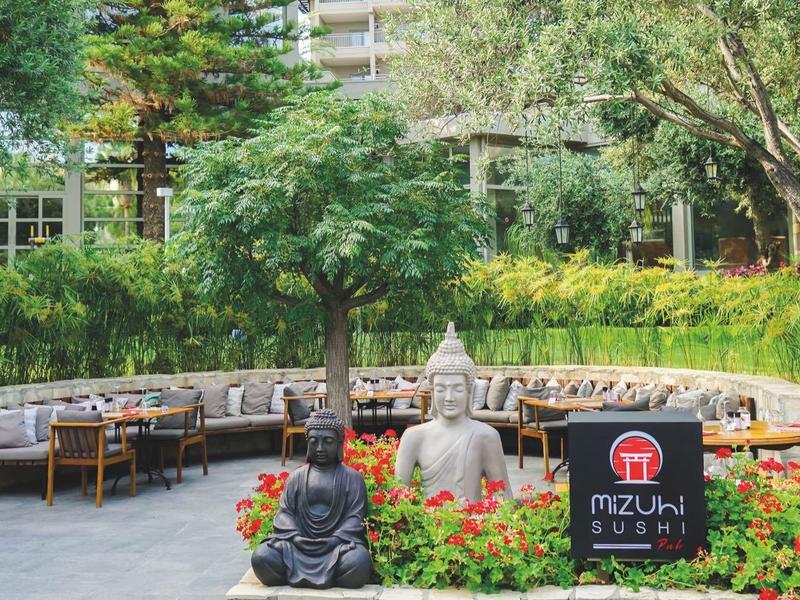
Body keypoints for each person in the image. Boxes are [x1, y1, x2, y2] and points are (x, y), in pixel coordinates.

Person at [251, 409, 372, 589]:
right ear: (308, 444)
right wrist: (296, 536)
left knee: (359, 562)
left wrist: (335, 539)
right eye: (314, 442)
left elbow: (355, 518)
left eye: (328, 441)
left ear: (339, 444)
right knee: (262, 557)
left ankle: (325, 574)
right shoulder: (296, 477)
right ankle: (326, 577)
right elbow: (285, 514)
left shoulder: (351, 478)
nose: (320, 448)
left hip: (336, 547)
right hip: (296, 546)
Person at [396, 322, 513, 502]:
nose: (449, 397)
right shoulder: (414, 437)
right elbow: (399, 501)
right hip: (428, 527)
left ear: (469, 390)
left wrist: (482, 523)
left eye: (457, 389)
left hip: (473, 526)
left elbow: (503, 499)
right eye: (441, 389)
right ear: (432, 391)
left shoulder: (486, 436)